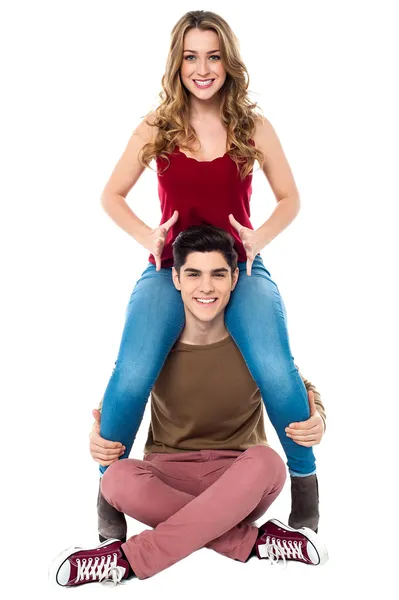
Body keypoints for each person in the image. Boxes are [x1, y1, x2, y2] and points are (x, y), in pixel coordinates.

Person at [97, 10, 322, 541]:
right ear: (178, 64)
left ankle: (306, 484)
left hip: (238, 266)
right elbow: (111, 195)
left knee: (273, 362)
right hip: (171, 264)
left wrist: (257, 239)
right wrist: (148, 238)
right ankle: (108, 491)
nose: (203, 68)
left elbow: (291, 198)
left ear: (228, 62)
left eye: (213, 56)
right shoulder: (157, 126)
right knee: (132, 370)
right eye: (192, 57)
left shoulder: (253, 127)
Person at [49, 226, 328, 587]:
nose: (206, 287)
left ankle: (128, 559)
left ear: (233, 280)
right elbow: (122, 391)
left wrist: (319, 415)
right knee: (116, 479)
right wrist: (96, 431)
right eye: (194, 274)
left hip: (238, 477)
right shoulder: (155, 345)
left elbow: (297, 383)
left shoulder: (252, 342)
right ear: (176, 279)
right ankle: (254, 541)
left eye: (218, 274)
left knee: (269, 463)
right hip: (165, 475)